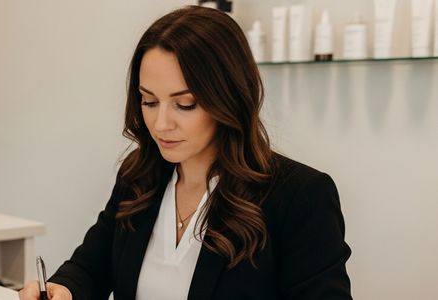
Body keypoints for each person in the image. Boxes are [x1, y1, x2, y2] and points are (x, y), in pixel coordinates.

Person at [19, 6, 351, 300]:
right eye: (149, 101)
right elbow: (91, 267)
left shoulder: (299, 196)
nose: (161, 124)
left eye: (185, 104)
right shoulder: (140, 176)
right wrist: (64, 289)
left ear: (228, 98)